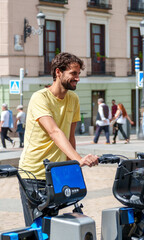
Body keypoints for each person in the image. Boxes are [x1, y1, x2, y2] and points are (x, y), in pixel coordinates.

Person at [18, 52, 98, 225]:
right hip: (33, 174)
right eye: (73, 74)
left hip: (55, 174)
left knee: (55, 226)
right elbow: (54, 132)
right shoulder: (40, 97)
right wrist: (79, 159)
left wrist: (72, 168)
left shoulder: (73, 99)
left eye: (78, 74)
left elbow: (70, 137)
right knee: (37, 229)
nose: (77, 78)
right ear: (58, 72)